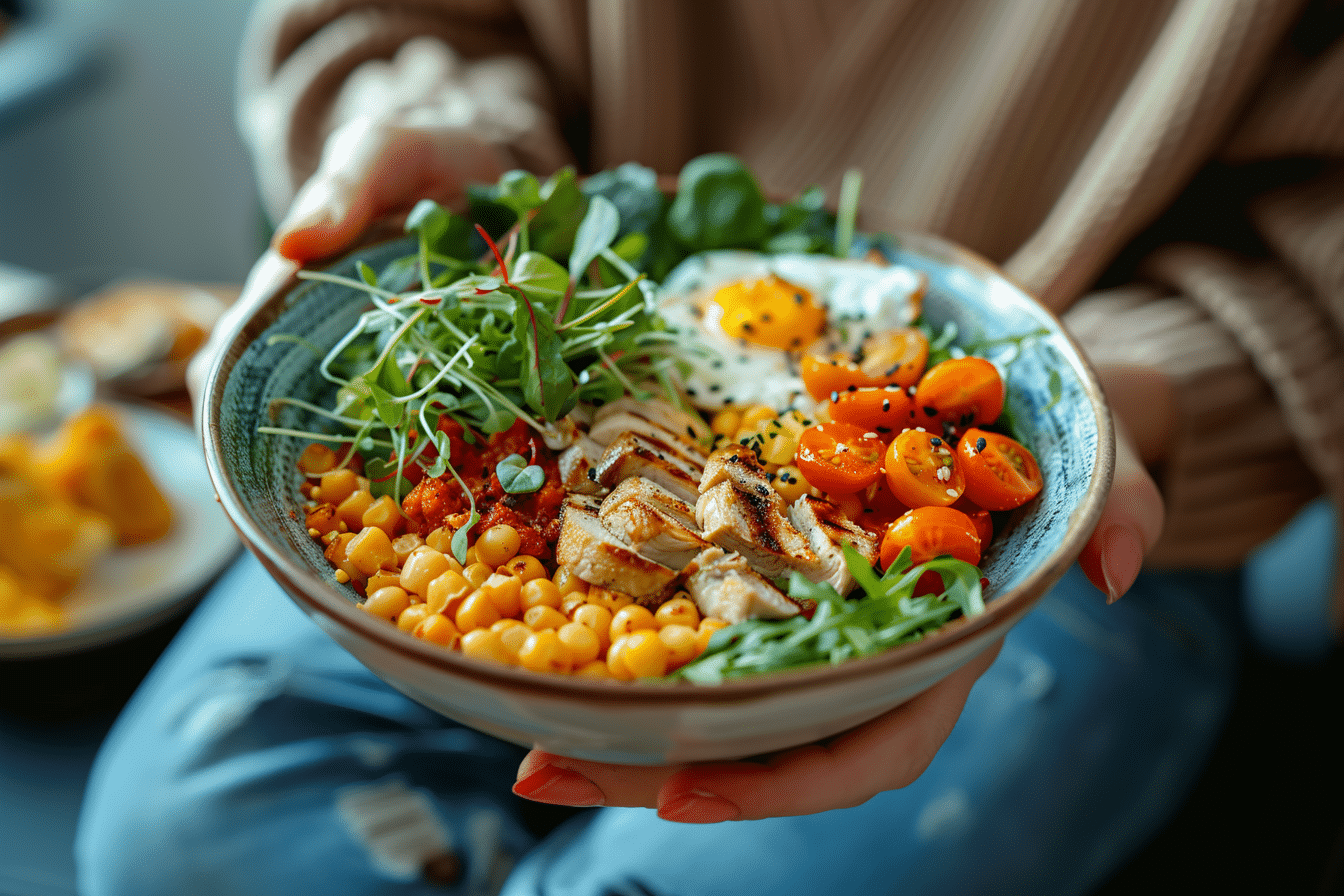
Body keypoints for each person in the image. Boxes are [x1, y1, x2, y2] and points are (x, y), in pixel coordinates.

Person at [77, 1, 1344, 893]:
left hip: (1080, 532)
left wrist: (1123, 391)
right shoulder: (581, 428)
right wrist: (437, 124)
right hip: (556, 310)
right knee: (176, 850)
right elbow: (408, 17)